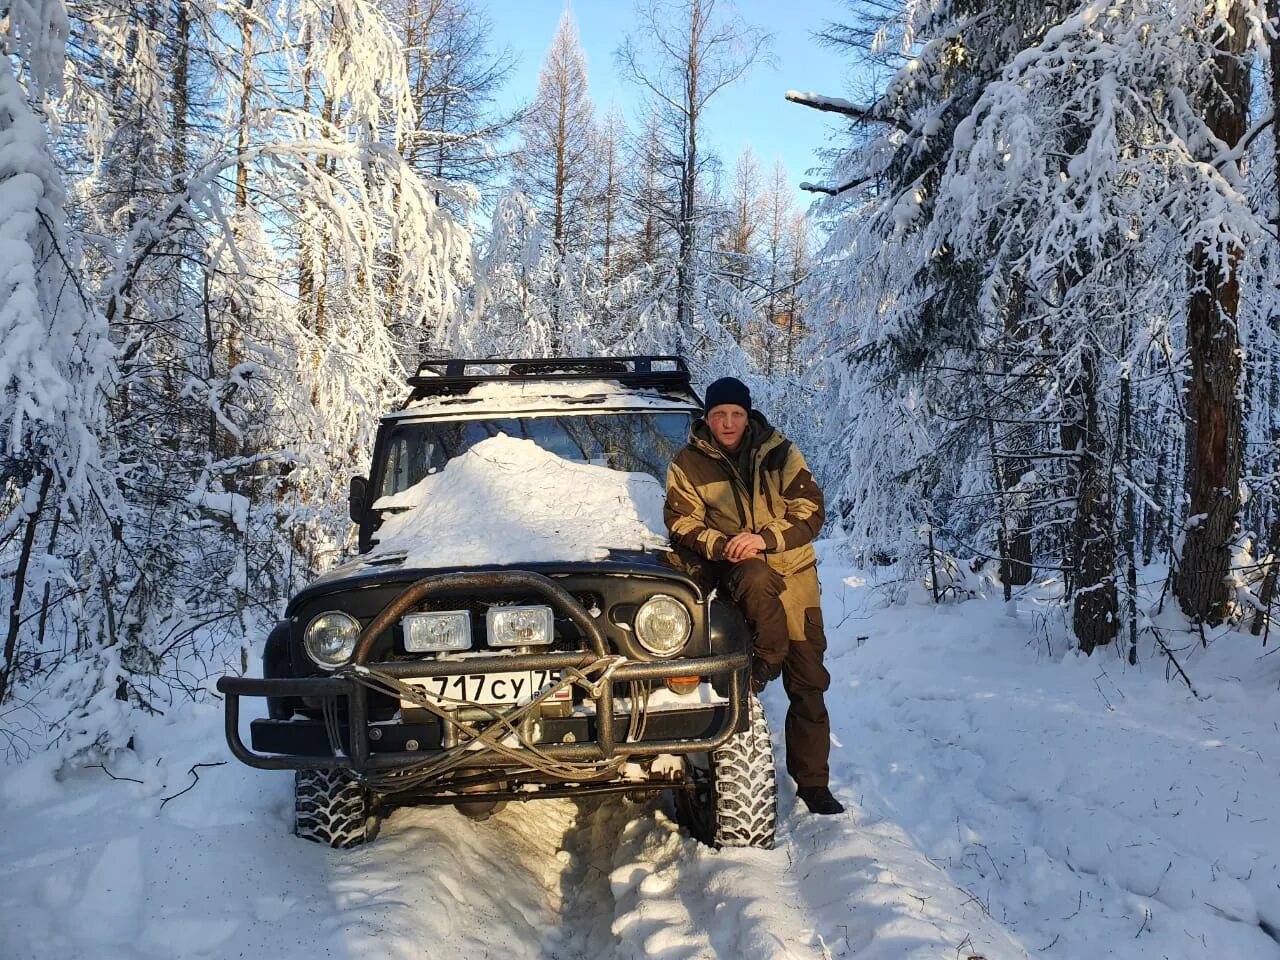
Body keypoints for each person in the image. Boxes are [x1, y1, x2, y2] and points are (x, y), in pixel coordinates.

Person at [664, 376, 844, 816]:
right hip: (735, 576)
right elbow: (681, 523)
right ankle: (765, 662)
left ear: (748, 416)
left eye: (736, 414)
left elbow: (811, 513)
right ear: (706, 417)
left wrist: (764, 538)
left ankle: (814, 784)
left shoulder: (780, 454)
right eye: (719, 414)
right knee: (737, 661)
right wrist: (723, 545)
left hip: (795, 578)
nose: (728, 422)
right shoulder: (688, 463)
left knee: (809, 682)